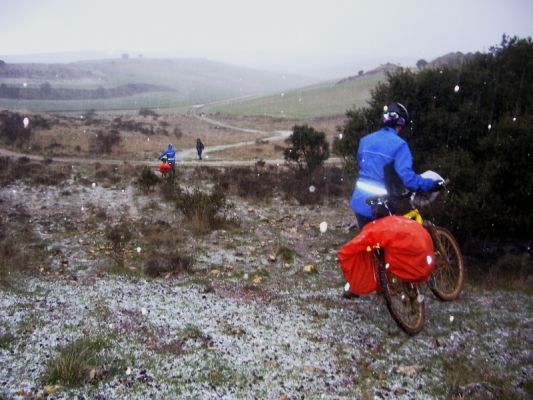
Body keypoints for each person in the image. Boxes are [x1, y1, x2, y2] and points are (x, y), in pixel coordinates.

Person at [343, 102, 441, 298]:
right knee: (395, 244)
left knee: (370, 244)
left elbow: (367, 169)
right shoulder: (399, 145)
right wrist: (431, 184)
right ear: (401, 123)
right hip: (383, 202)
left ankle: (360, 284)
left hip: (361, 200)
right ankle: (396, 285)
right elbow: (409, 179)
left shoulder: (365, 140)